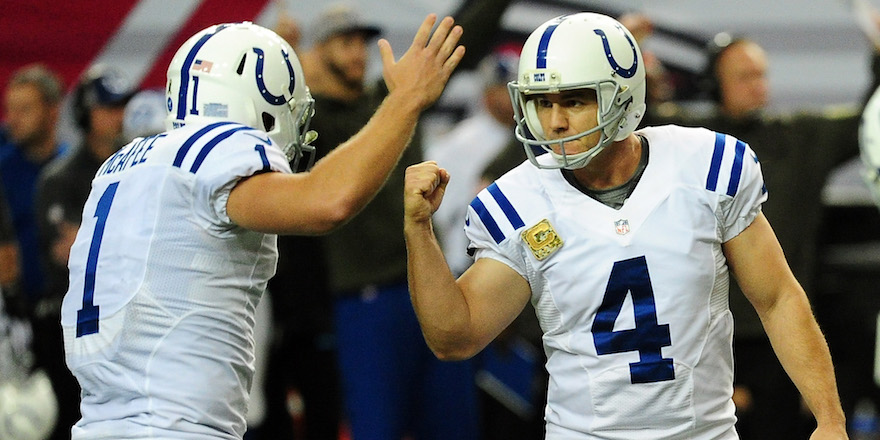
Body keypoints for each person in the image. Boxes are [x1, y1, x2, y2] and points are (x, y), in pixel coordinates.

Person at [403, 12, 848, 439]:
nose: (554, 121)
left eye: (574, 100)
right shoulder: (521, 202)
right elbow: (455, 339)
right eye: (541, 102)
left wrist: (829, 418)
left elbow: (777, 298)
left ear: (623, 97)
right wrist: (418, 230)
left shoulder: (703, 168)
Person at [60, 16, 464, 440]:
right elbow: (328, 201)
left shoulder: (120, 166)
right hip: (171, 425)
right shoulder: (215, 151)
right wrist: (406, 101)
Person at [269, 2, 514, 439]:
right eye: (344, 43)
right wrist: (281, 62)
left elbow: (461, 36)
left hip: (434, 289)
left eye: (360, 43)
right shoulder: (308, 123)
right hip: (365, 307)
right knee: (377, 430)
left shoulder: (392, 99)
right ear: (314, 53)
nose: (357, 54)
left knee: (455, 428)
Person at [0, 64, 69, 307]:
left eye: (24, 109)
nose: (13, 120)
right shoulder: (3, 170)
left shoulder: (76, 170)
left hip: (66, 308)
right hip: (13, 310)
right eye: (10, 110)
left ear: (53, 111)